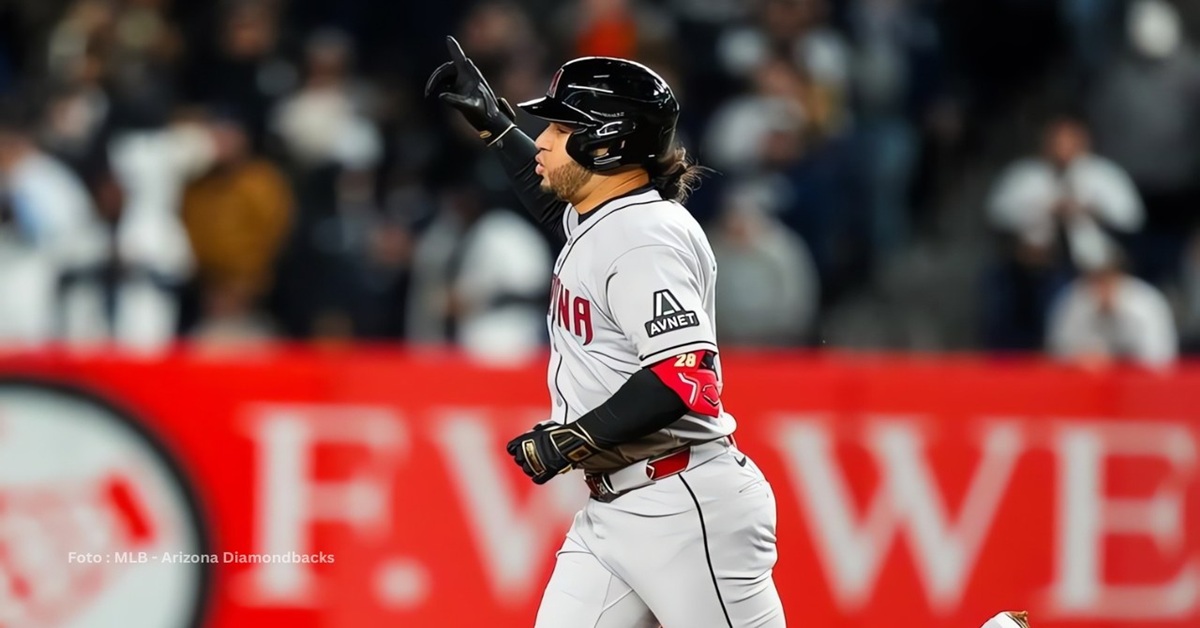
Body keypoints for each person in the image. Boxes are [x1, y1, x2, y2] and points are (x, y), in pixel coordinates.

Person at [427, 37, 785, 627]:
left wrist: (572, 439)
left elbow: (684, 377)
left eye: (560, 128)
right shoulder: (611, 217)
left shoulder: (643, 237)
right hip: (617, 504)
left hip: (683, 502)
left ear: (607, 141)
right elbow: (555, 209)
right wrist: (496, 125)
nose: (543, 139)